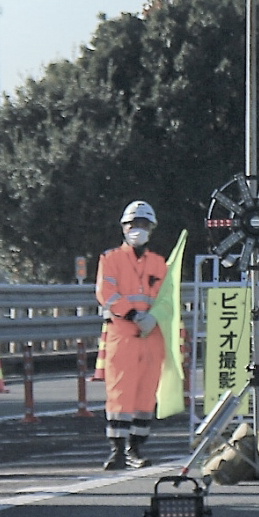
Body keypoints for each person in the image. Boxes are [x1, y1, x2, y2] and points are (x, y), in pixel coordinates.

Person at [94, 200, 167, 469]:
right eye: (134, 225)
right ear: (124, 228)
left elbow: (167, 297)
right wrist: (134, 315)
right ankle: (117, 450)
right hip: (122, 334)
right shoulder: (110, 259)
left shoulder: (159, 263)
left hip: (151, 336)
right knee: (119, 394)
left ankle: (135, 450)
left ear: (152, 229)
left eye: (144, 225)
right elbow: (106, 293)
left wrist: (155, 317)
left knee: (146, 395)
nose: (138, 229)